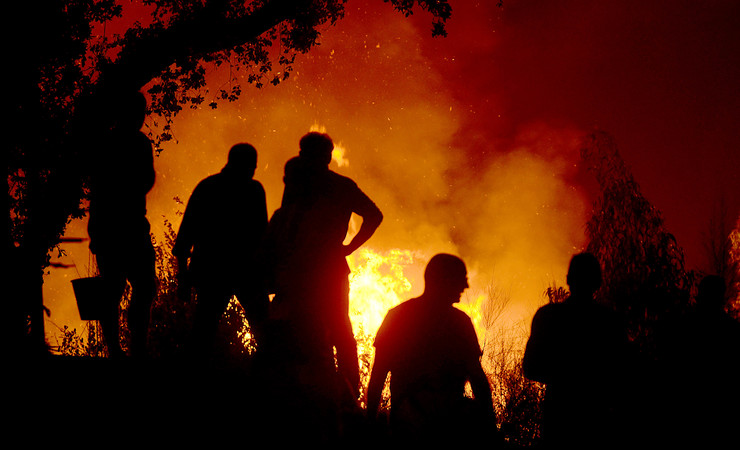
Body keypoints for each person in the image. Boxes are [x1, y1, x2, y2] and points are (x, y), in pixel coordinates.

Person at [268, 132, 383, 399]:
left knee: (302, 328)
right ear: (328, 155)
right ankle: (344, 394)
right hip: (326, 268)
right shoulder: (335, 185)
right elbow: (374, 215)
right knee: (338, 332)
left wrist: (347, 248)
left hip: (305, 270)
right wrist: (347, 249)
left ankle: (321, 393)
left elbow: (285, 226)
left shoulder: (301, 184)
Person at [366, 254, 497, 445]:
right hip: (445, 426)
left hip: (411, 424)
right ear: (442, 280)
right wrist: (489, 425)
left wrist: (369, 422)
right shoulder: (459, 323)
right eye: (461, 278)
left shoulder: (397, 316)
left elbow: (378, 376)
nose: (465, 286)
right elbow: (478, 380)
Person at [522, 252, 628, 449]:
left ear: (568, 279)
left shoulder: (548, 317)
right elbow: (624, 373)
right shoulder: (610, 321)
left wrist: (563, 377)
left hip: (559, 417)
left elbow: (530, 368)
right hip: (598, 418)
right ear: (598, 282)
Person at [173, 143, 269, 359]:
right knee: (264, 330)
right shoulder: (254, 191)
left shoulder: (207, 187)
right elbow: (263, 236)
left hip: (213, 271)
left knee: (203, 331)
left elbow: (185, 236)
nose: (253, 171)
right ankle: (271, 379)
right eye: (252, 166)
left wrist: (184, 277)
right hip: (244, 272)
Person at [87, 89, 157, 359]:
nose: (140, 118)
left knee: (118, 288)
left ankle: (120, 348)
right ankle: (131, 347)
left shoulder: (108, 143)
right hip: (126, 226)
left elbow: (98, 187)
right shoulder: (137, 143)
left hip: (113, 226)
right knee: (135, 286)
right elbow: (145, 180)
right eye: (138, 113)